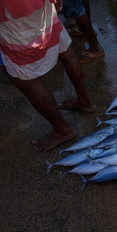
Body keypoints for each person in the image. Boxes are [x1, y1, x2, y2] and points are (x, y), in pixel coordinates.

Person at [0, 0, 96, 152]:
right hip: (41, 6)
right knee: (63, 48)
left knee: (23, 79)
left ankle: (63, 130)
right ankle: (84, 101)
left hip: (13, 15)